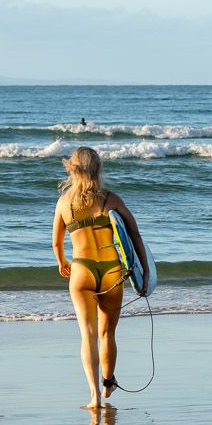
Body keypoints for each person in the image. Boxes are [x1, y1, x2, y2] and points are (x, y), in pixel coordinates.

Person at [53, 147, 149, 409]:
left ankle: (94, 395)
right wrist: (145, 271)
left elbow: (56, 243)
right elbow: (135, 236)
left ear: (71, 169)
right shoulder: (111, 200)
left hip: (81, 271)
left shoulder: (63, 203)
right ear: (98, 169)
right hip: (111, 272)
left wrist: (63, 262)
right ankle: (108, 383)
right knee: (107, 333)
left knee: (88, 334)